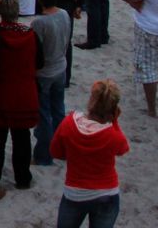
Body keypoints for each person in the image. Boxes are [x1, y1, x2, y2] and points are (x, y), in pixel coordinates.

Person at [0, 0, 40, 203]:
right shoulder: (30, 35)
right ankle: (22, 177)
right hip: (23, 93)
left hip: (0, 93)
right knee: (22, 137)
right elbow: (39, 62)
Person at [51, 79, 131, 228]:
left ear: (91, 101)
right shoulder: (114, 136)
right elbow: (123, 149)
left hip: (75, 193)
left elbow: (55, 152)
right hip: (107, 193)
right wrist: (114, 122)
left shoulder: (68, 124)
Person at [32, 0, 72, 166]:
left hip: (45, 72)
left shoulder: (39, 23)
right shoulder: (64, 14)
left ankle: (43, 155)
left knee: (44, 114)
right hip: (60, 66)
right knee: (58, 109)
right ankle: (61, 148)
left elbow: (36, 51)